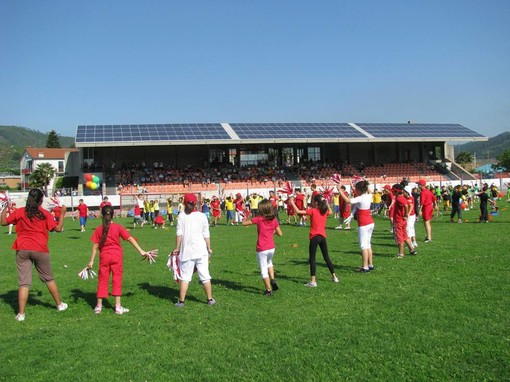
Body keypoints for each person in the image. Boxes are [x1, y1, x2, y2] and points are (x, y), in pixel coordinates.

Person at [1, 189, 68, 321]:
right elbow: (58, 229)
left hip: (22, 249)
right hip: (39, 248)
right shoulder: (44, 213)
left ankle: (21, 314)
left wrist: (4, 208)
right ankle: (59, 305)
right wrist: (63, 214)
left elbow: (3, 222)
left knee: (24, 283)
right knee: (48, 278)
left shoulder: (20, 212)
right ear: (41, 200)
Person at [87, 205, 150, 314]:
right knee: (117, 279)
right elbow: (129, 238)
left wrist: (91, 261)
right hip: (116, 256)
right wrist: (141, 251)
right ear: (113, 215)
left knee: (102, 279)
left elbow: (95, 246)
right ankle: (118, 307)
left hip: (104, 257)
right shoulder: (118, 227)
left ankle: (98, 307)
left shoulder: (99, 229)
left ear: (102, 215)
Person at [173, 193, 215, 307]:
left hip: (187, 252)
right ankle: (210, 299)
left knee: (185, 277)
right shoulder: (202, 216)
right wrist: (209, 248)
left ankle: (181, 301)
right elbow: (206, 234)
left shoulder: (182, 216)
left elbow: (179, 234)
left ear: (185, 203)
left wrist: (177, 248)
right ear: (196, 203)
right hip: (201, 251)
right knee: (205, 275)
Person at [290, 194, 339, 286]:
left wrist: (292, 202)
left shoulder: (313, 210)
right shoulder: (324, 211)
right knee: (326, 257)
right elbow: (331, 212)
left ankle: (313, 281)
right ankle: (334, 277)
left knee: (312, 258)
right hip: (322, 237)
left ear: (316, 202)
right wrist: (327, 203)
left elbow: (298, 211)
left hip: (314, 237)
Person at [242, 199, 283, 296]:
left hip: (262, 248)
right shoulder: (274, 220)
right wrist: (272, 232)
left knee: (263, 269)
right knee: (269, 262)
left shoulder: (259, 219)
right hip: (271, 247)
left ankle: (268, 290)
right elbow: (280, 234)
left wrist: (244, 217)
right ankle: (272, 279)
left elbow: (244, 224)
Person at [338, 181, 375, 272]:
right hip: (370, 222)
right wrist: (365, 183)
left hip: (363, 223)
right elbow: (370, 191)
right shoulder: (369, 195)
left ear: (359, 189)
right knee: (368, 244)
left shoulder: (360, 198)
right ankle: (370, 264)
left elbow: (347, 201)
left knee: (363, 246)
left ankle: (365, 266)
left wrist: (340, 191)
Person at [392, 184, 417, 258]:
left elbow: (406, 206)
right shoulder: (402, 198)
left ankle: (401, 253)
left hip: (399, 220)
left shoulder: (399, 198)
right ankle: (411, 249)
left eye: (393, 191)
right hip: (402, 221)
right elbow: (410, 205)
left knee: (400, 237)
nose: (393, 192)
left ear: (397, 191)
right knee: (405, 235)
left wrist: (406, 214)